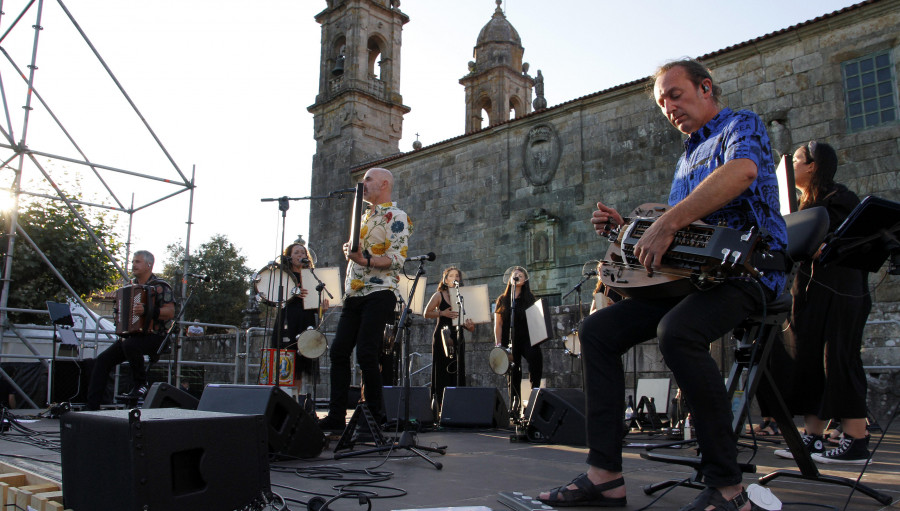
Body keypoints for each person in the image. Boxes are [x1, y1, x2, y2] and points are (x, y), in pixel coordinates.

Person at [538, 59, 787, 510]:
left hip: (749, 274)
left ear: (706, 87)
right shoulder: (686, 158)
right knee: (597, 332)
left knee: (679, 332)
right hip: (692, 282)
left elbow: (742, 173)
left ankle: (729, 489)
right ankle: (605, 476)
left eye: (675, 94)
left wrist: (668, 222)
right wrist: (628, 230)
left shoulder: (739, 126)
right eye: (661, 102)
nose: (668, 107)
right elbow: (678, 241)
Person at [772, 141, 872, 465]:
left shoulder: (840, 199)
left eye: (798, 161)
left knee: (838, 358)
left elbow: (848, 243)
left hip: (842, 291)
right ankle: (812, 438)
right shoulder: (802, 205)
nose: (793, 167)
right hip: (811, 293)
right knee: (808, 360)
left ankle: (856, 440)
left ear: (813, 166)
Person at [318, 167, 412, 431]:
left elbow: (397, 259)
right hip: (354, 292)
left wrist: (365, 259)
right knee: (338, 351)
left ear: (384, 184)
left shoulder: (397, 216)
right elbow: (358, 252)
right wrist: (351, 250)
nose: (363, 183)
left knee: (367, 352)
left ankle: (374, 416)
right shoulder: (362, 216)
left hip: (380, 291)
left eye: (368, 179)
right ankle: (337, 416)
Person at [86, 250, 175, 410]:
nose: (133, 265)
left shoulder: (161, 287)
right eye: (133, 261)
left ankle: (141, 383)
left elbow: (170, 312)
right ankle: (92, 407)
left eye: (137, 262)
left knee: (130, 345)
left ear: (149, 265)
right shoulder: (129, 287)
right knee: (102, 361)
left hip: (156, 336)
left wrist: (148, 310)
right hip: (133, 337)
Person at [271, 242, 329, 397]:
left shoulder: (312, 277)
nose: (300, 255)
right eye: (296, 252)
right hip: (288, 320)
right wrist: (293, 292)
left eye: (303, 253)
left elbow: (315, 306)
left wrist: (322, 307)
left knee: (299, 366)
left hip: (306, 321)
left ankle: (294, 400)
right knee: (285, 363)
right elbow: (272, 297)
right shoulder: (283, 275)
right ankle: (281, 399)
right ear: (289, 256)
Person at [423, 266, 475, 413]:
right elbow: (426, 313)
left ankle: (457, 406)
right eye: (451, 276)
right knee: (441, 369)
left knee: (458, 369)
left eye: (457, 276)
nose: (455, 278)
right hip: (442, 336)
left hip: (458, 336)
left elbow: (470, 325)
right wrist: (442, 313)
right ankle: (438, 406)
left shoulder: (462, 298)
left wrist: (470, 326)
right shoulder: (439, 295)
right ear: (445, 280)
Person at [493, 266, 542, 418]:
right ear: (510, 279)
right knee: (513, 370)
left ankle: (535, 399)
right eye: (515, 274)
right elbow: (498, 324)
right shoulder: (503, 299)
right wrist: (498, 345)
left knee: (536, 359)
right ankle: (515, 404)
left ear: (525, 280)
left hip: (527, 338)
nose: (517, 276)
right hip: (510, 339)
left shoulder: (529, 299)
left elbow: (536, 320)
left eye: (520, 275)